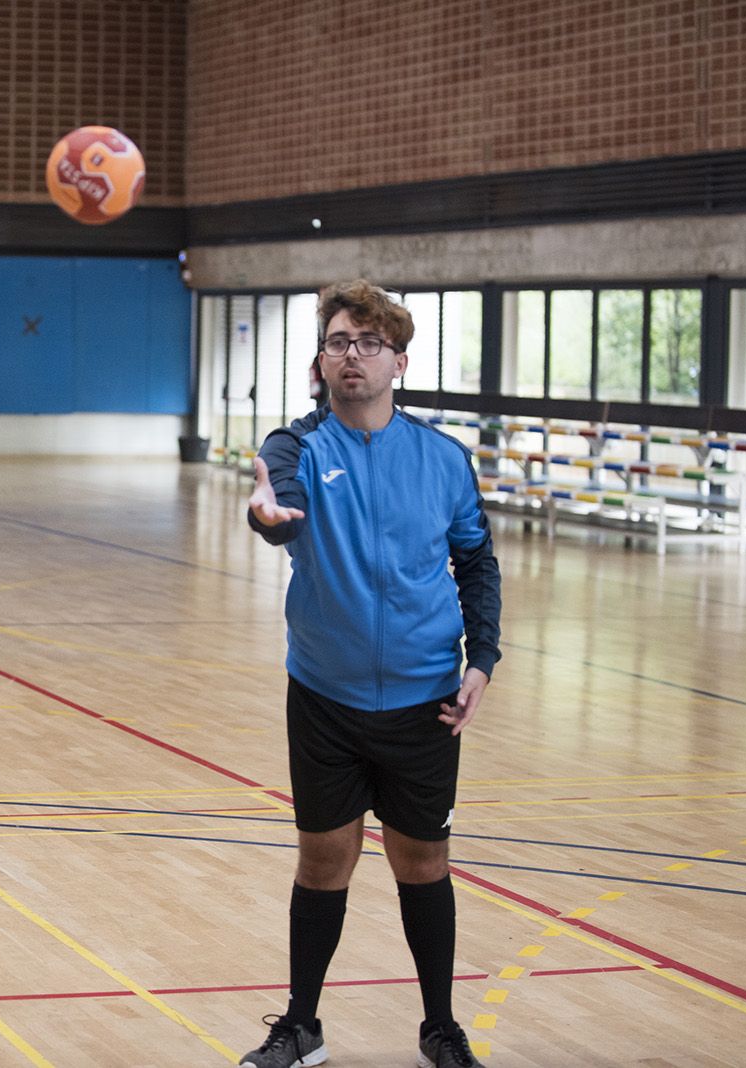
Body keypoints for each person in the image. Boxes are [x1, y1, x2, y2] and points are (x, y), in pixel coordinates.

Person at [240, 279, 501, 1068]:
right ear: (320, 362)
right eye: (337, 343)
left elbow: (476, 560)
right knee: (323, 860)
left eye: (367, 344)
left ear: (399, 361)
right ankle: (302, 1025)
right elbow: (273, 503)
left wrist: (482, 659)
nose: (350, 356)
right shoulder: (297, 448)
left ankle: (441, 1028)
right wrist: (266, 516)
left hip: (426, 701)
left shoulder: (443, 459)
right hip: (325, 697)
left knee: (423, 863)